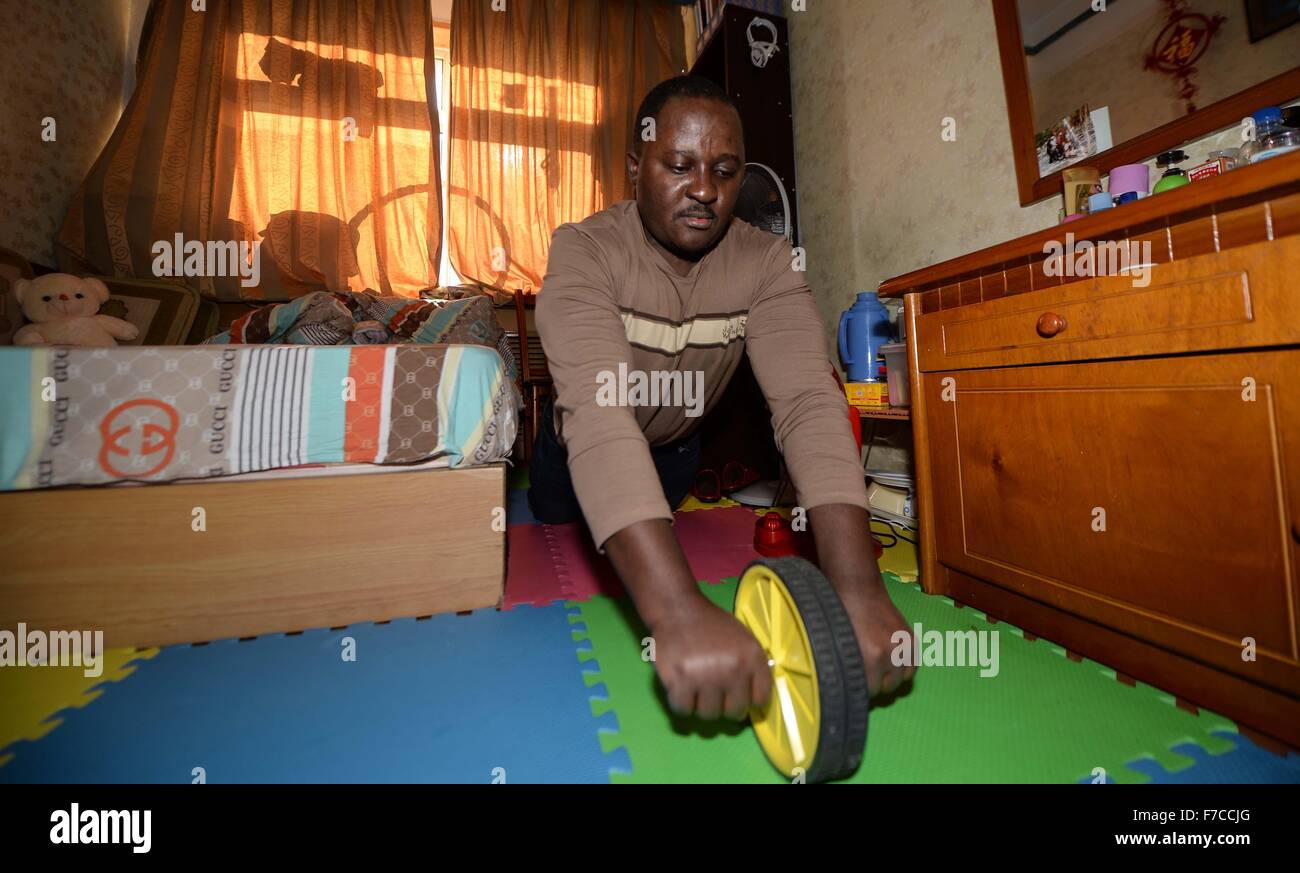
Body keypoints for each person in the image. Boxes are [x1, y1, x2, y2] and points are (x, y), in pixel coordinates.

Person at [529, 75, 913, 722]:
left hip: (676, 457)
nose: (705, 189)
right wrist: (677, 609)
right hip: (574, 461)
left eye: (725, 170)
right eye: (679, 165)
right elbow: (599, 410)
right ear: (635, 167)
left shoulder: (767, 263)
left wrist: (858, 584)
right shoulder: (585, 249)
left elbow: (807, 401)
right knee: (554, 572)